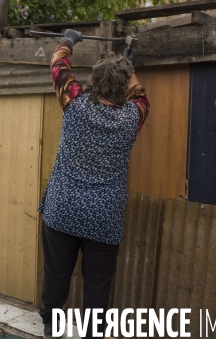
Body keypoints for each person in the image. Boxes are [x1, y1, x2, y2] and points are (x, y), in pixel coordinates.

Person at [39, 29, 149, 338]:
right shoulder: (132, 116)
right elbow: (140, 93)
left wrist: (70, 40)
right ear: (124, 86)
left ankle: (51, 325)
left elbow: (58, 65)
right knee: (98, 282)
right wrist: (130, 58)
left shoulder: (74, 103)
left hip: (63, 209)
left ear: (95, 83)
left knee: (57, 273)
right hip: (105, 216)